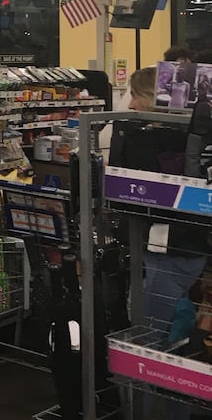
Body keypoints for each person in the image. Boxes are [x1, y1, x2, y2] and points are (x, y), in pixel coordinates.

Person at [111, 66, 209, 420]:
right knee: (170, 339)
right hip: (190, 251)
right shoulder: (191, 137)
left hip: (166, 252)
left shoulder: (151, 139)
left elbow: (127, 197)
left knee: (146, 346)